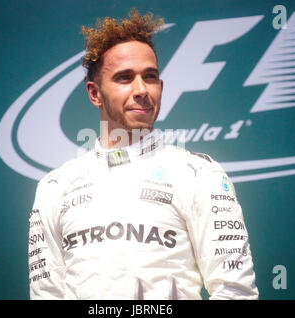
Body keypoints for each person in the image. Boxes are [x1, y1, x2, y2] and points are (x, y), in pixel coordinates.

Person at [28, 8, 259, 300]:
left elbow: (235, 291)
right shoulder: (55, 187)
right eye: (124, 78)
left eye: (149, 77)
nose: (141, 90)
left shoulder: (199, 174)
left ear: (160, 87)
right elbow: (45, 295)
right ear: (94, 93)